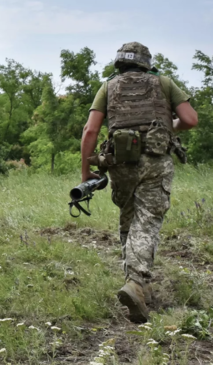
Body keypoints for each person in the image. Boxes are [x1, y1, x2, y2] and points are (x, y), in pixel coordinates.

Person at [80, 42, 198, 323]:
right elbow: (190, 120)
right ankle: (136, 282)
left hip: (121, 163)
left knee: (129, 221)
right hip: (156, 162)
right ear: (147, 63)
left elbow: (91, 130)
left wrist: (86, 173)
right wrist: (171, 127)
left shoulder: (108, 87)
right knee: (146, 223)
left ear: (119, 63)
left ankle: (138, 287)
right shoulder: (164, 82)